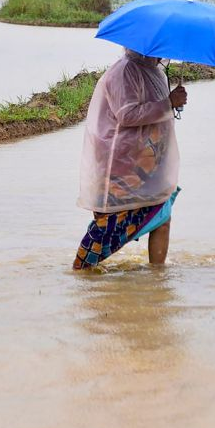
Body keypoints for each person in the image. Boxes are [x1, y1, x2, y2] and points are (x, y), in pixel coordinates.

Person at [74, 49, 187, 269]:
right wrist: (168, 103)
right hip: (123, 166)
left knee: (161, 218)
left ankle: (157, 275)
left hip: (149, 164)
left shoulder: (155, 72)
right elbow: (127, 115)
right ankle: (81, 273)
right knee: (108, 228)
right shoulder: (124, 72)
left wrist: (172, 102)